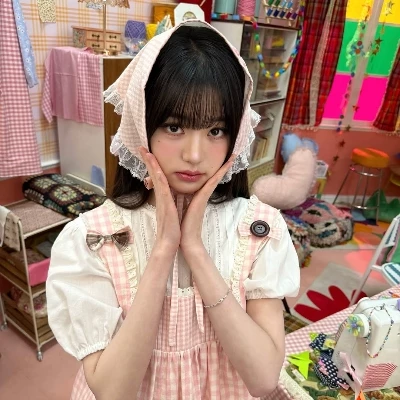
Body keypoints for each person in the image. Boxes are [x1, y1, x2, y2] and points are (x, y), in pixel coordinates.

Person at [46, 20, 300, 400]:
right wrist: (165, 247)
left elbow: (263, 379)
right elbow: (113, 392)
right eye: (174, 126)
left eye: (215, 130)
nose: (194, 155)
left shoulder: (258, 229)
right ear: (141, 124)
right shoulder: (96, 238)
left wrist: (195, 249)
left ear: (235, 134)